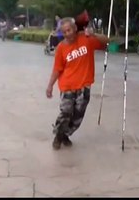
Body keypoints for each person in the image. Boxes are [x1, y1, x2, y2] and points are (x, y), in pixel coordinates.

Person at [46, 17, 109, 150]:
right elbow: (57, 69)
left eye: (69, 30)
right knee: (65, 113)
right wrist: (50, 85)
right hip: (67, 86)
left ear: (75, 29)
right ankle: (58, 135)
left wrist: (93, 34)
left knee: (78, 114)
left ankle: (65, 134)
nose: (67, 34)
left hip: (84, 85)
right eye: (64, 32)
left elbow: (106, 42)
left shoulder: (87, 40)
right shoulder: (61, 48)